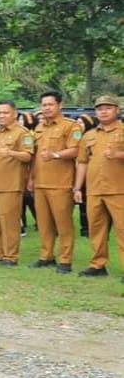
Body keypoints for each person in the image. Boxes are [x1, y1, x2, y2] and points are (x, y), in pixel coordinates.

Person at [28, 91, 80, 273]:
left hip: (61, 183)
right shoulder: (39, 128)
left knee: (63, 223)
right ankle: (46, 256)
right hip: (40, 183)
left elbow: (75, 150)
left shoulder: (71, 126)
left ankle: (65, 260)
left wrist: (55, 155)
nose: (47, 108)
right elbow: (35, 156)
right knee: (43, 223)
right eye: (44, 105)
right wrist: (31, 178)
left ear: (60, 105)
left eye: (50, 104)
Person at [74, 95, 124, 279]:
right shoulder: (89, 135)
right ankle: (97, 265)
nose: (103, 111)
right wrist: (78, 188)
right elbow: (82, 162)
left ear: (116, 110)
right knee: (96, 228)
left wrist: (118, 154)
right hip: (94, 189)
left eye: (108, 108)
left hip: (119, 189)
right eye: (99, 108)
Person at [0, 100, 34, 266]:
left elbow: (28, 156)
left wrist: (11, 153)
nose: (1, 116)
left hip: (10, 185)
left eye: (5, 112)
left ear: (14, 114)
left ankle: (11, 256)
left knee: (9, 223)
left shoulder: (22, 133)